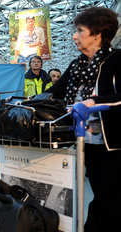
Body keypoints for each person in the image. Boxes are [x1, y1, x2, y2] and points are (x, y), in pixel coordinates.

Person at [45, 7, 121, 232]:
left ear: (97, 33)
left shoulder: (117, 59)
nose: (74, 36)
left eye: (80, 30)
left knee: (109, 195)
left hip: (110, 144)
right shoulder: (77, 65)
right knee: (91, 191)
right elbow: (54, 91)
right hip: (80, 140)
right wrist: (24, 102)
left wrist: (92, 102)